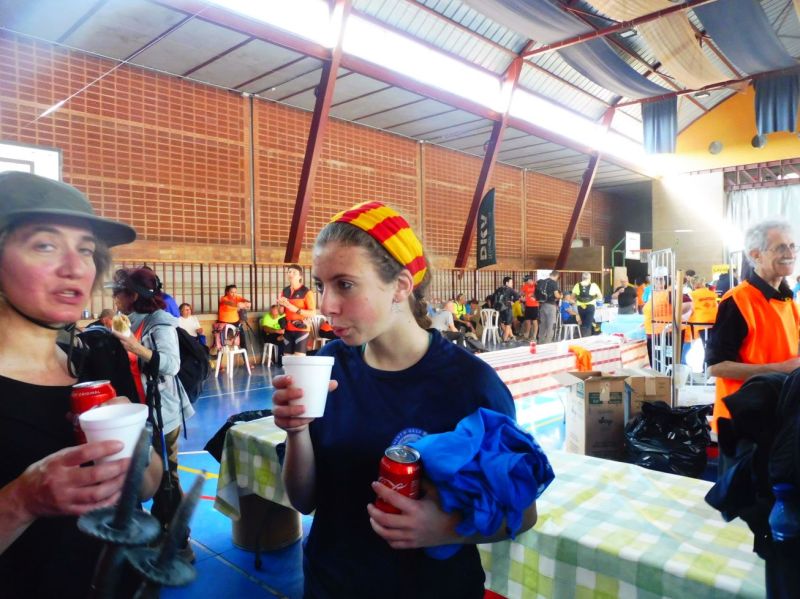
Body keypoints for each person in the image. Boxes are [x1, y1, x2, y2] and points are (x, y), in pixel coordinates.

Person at [271, 201, 538, 599]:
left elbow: (523, 513)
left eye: (345, 285)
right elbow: (304, 500)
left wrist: (446, 528)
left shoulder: (470, 385)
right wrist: (296, 431)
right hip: (330, 582)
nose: (325, 306)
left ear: (400, 285)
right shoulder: (328, 367)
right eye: (321, 285)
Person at [0, 172, 162, 598]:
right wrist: (22, 500)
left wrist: (135, 450)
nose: (75, 268)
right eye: (45, 245)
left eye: (86, 250)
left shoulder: (100, 358)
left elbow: (148, 484)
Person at [110, 267, 195, 561]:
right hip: (137, 412)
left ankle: (179, 543)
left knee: (167, 480)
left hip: (162, 413)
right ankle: (155, 532)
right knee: (143, 475)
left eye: (118, 292)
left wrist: (134, 346)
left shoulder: (159, 321)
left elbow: (171, 364)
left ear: (133, 295)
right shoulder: (126, 319)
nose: (114, 297)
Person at [707, 219, 800, 432]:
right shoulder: (737, 301)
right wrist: (779, 370)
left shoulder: (789, 303)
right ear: (756, 255)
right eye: (780, 247)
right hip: (743, 421)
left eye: (793, 246)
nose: (790, 253)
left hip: (779, 415)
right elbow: (715, 366)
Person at [278, 264, 316, 356]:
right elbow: (280, 312)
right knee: (287, 359)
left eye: (294, 272)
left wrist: (295, 309)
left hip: (301, 329)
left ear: (300, 276)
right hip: (288, 329)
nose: (291, 274)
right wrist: (281, 304)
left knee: (298, 359)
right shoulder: (284, 291)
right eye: (289, 272)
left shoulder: (307, 292)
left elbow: (312, 313)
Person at [214, 284, 251, 353]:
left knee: (242, 336)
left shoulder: (237, 297)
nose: (234, 294)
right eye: (231, 292)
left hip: (236, 322)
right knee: (222, 340)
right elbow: (229, 303)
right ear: (227, 292)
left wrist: (247, 303)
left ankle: (245, 356)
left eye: (235, 292)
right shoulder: (223, 298)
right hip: (224, 322)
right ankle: (219, 357)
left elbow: (246, 300)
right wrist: (238, 305)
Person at [572, 272, 603, 337]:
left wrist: (578, 299)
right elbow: (600, 296)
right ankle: (586, 338)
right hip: (590, 307)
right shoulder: (594, 285)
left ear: (582, 278)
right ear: (590, 278)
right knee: (588, 324)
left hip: (580, 307)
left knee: (583, 323)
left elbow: (573, 297)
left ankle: (583, 337)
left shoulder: (577, 285)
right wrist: (595, 298)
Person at [537, 270, 561, 344]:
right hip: (551, 306)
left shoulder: (543, 282)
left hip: (542, 305)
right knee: (551, 324)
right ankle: (548, 342)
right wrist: (561, 296)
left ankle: (540, 341)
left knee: (542, 324)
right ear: (556, 276)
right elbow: (556, 295)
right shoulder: (553, 283)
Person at [493, 276, 520, 343]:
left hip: (500, 309)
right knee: (508, 324)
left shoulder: (498, 289)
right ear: (507, 283)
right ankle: (505, 339)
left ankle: (511, 336)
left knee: (502, 323)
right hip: (507, 308)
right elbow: (517, 296)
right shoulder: (509, 289)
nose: (512, 284)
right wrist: (512, 302)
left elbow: (493, 297)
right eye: (511, 282)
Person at [519, 274, 539, 341]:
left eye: (526, 281)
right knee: (527, 321)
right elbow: (521, 293)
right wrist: (522, 297)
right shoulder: (525, 285)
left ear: (530, 280)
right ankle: (526, 336)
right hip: (527, 305)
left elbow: (539, 294)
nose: (526, 282)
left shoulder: (536, 285)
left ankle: (534, 336)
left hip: (535, 306)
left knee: (534, 321)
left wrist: (533, 296)